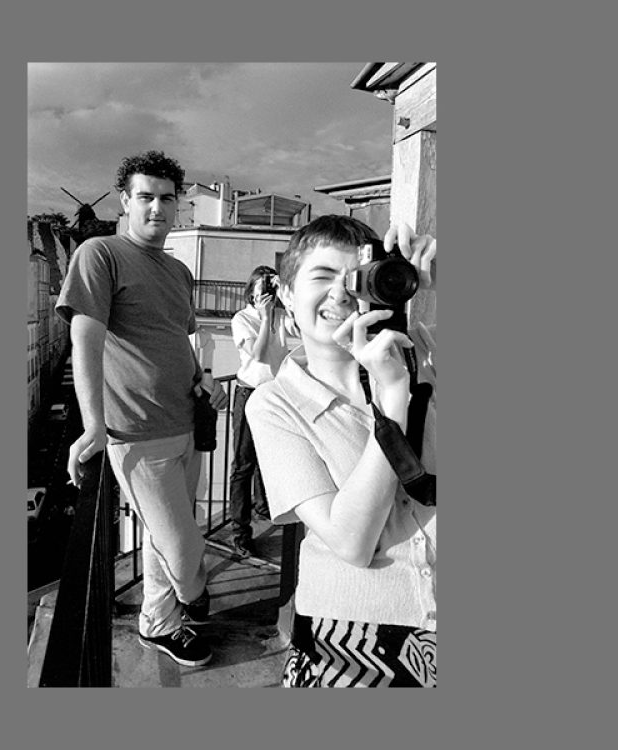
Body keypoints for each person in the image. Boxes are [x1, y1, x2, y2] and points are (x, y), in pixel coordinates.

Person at [246, 215, 439, 687]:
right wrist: (392, 401)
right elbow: (352, 542)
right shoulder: (274, 404)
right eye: (322, 276)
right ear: (286, 294)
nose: (340, 293)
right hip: (353, 641)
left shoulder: (427, 350)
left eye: (355, 278)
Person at [55, 150, 229, 668]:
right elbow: (84, 340)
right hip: (136, 432)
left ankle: (159, 622)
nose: (157, 208)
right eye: (146, 197)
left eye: (167, 199)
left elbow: (178, 338)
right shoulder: (100, 254)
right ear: (125, 202)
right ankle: (192, 595)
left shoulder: (177, 270)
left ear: (178, 206)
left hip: (188, 422)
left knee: (163, 535)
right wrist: (93, 426)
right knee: (181, 546)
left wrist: (203, 378)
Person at [226, 265, 292, 558]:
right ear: (250, 292)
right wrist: (265, 318)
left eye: (269, 287)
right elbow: (259, 354)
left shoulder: (281, 315)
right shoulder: (242, 319)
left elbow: (305, 326)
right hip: (249, 393)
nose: (265, 293)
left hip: (275, 394)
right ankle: (240, 533)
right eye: (260, 287)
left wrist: (287, 294)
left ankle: (264, 507)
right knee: (243, 465)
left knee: (271, 459)